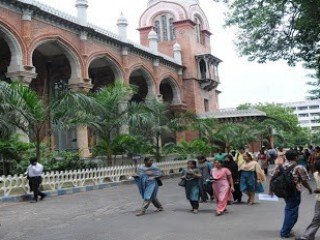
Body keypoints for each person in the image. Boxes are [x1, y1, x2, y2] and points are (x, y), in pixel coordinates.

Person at [270, 150, 312, 239]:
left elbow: (273, 177)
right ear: (296, 157)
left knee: (292, 210)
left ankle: (288, 229)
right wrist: (309, 189)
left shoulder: (281, 165)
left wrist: (271, 190)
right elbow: (304, 180)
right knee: (291, 211)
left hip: (284, 191)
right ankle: (285, 232)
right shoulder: (299, 167)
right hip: (294, 191)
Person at [296, 161, 320, 240]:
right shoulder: (316, 174)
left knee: (317, 218)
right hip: (319, 200)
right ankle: (308, 236)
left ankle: (308, 236)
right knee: (317, 218)